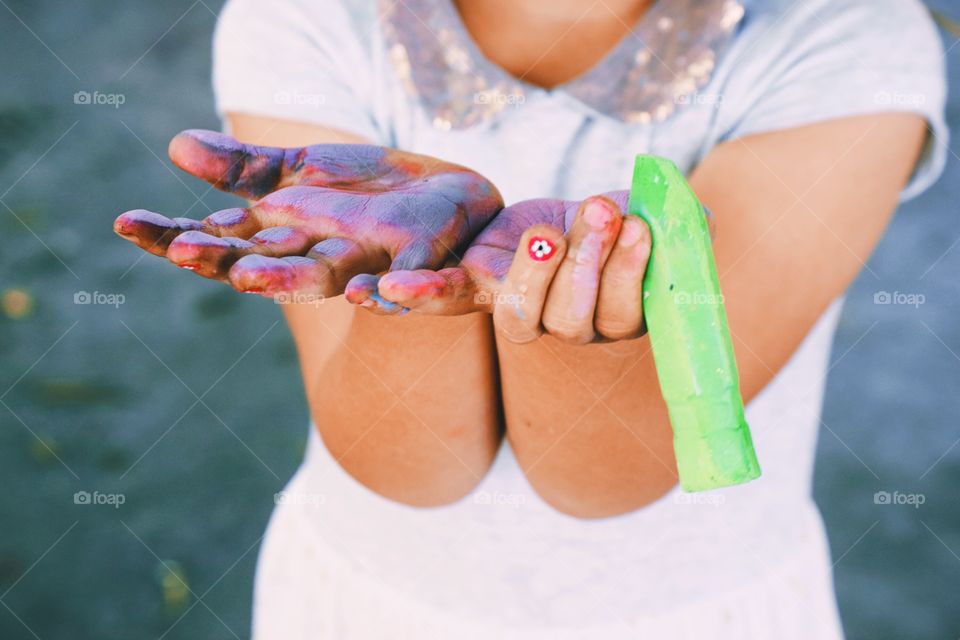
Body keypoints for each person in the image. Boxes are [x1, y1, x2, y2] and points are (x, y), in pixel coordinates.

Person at [114, 0, 948, 637]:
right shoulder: (308, 19)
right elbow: (411, 470)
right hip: (377, 598)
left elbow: (607, 481)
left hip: (686, 610)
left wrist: (587, 342)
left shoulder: (845, 43)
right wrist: (419, 285)